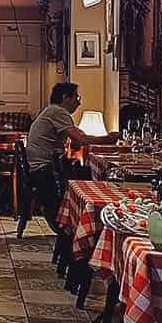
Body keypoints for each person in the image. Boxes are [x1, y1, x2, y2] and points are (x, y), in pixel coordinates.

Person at [25, 82, 120, 228]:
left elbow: (77, 138)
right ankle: (80, 222)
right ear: (65, 97)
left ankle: (82, 220)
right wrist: (109, 139)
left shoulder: (52, 111)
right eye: (76, 97)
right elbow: (81, 139)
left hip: (40, 165)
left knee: (81, 170)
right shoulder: (58, 112)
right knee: (86, 174)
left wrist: (79, 140)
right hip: (44, 170)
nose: (78, 102)